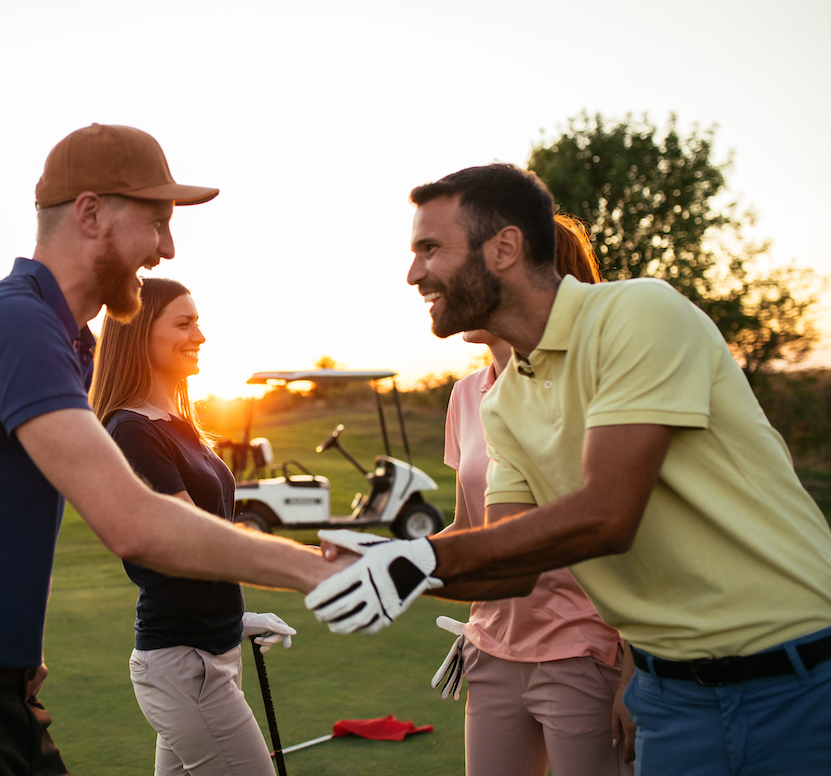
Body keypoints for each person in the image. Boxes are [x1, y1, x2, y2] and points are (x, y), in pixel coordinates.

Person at [0, 124, 345, 776]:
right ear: (89, 213)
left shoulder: (59, 339)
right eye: (156, 221)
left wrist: (12, 656)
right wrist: (310, 568)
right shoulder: (15, 324)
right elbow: (133, 521)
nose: (167, 246)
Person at [306, 163, 831, 774]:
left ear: (504, 247)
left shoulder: (637, 313)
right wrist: (385, 559)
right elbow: (508, 565)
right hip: (672, 697)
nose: (413, 272)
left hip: (797, 676)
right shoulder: (502, 402)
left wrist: (420, 562)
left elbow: (607, 516)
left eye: (430, 249)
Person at [436, 214, 632, 776]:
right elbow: (470, 528)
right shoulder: (466, 396)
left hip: (582, 651)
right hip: (491, 649)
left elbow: (630, 537)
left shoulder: (594, 390)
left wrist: (634, 670)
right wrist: (386, 560)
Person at [91, 276, 296, 776]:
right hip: (186, 667)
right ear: (139, 334)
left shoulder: (177, 424)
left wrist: (236, 617)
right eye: (183, 323)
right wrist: (310, 567)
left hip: (208, 655)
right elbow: (192, 544)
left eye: (198, 323)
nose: (199, 336)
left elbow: (202, 555)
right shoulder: (131, 430)